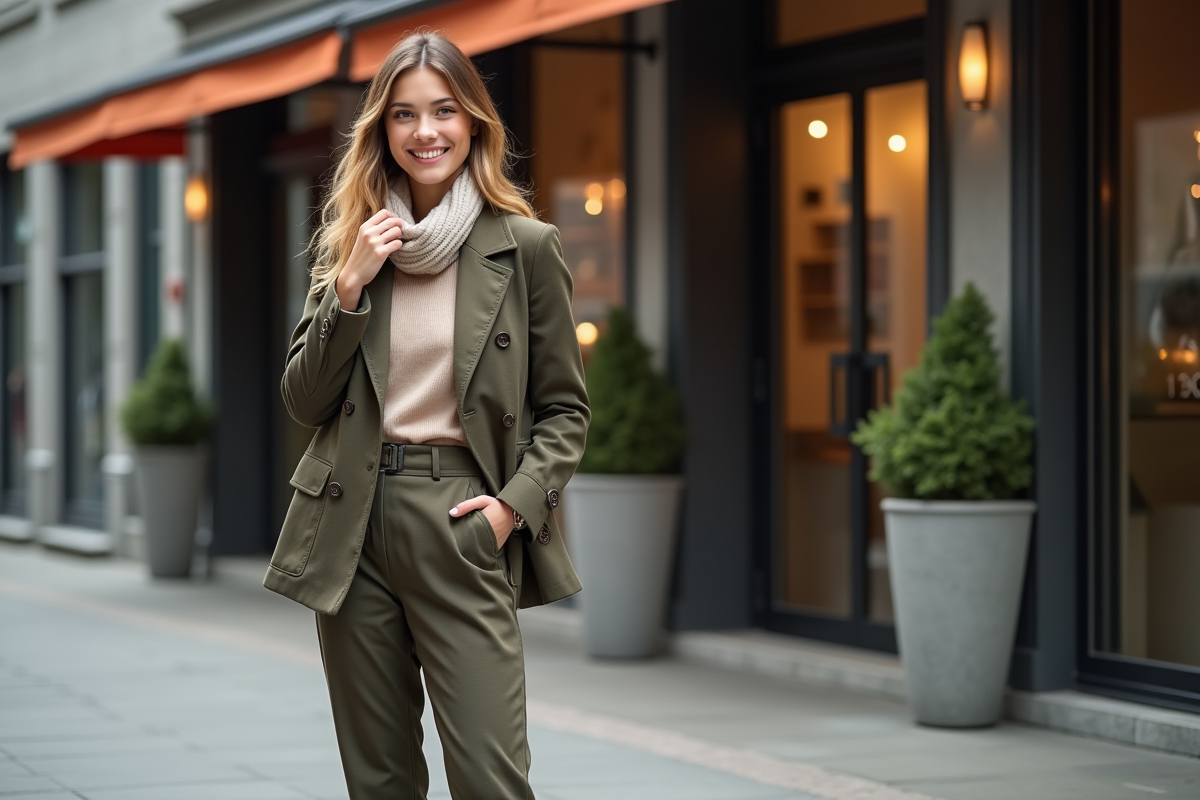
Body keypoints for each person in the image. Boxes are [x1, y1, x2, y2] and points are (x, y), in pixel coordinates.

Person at [263, 30, 590, 800]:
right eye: (404, 115)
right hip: (350, 520)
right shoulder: (354, 247)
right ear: (382, 130)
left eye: (443, 110)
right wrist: (348, 289)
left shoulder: (525, 247)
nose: (425, 131)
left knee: (490, 778)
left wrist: (510, 510)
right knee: (378, 780)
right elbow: (304, 401)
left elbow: (565, 410)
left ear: (473, 122)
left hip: (460, 519)